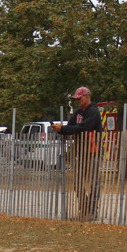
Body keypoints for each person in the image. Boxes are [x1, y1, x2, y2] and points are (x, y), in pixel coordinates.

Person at [52, 86, 103, 220]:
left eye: (80, 98)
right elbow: (71, 126)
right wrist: (61, 128)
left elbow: (82, 127)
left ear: (87, 97)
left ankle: (92, 211)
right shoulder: (79, 112)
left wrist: (63, 129)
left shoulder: (93, 112)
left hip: (93, 151)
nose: (78, 101)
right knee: (78, 183)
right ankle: (85, 210)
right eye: (76, 99)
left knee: (94, 183)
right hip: (80, 151)